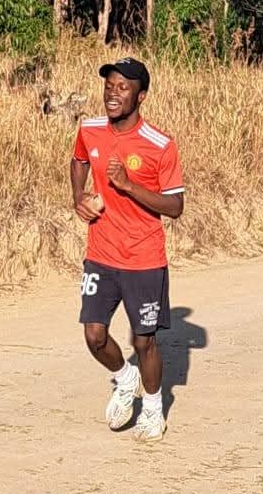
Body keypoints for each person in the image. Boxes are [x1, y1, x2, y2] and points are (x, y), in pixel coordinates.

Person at [71, 57, 185, 442]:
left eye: (123, 87)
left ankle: (153, 408)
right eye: (109, 85)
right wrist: (78, 197)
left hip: (144, 259)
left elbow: (175, 206)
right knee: (94, 335)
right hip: (101, 252)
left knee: (144, 341)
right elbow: (79, 158)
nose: (112, 93)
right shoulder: (89, 129)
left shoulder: (160, 145)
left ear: (141, 96)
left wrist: (128, 186)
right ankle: (124, 378)